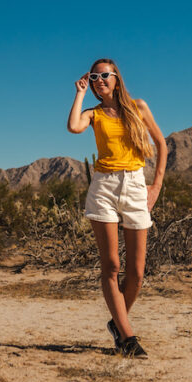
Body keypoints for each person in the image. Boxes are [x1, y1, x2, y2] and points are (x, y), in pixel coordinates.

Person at [67, 57, 167, 358]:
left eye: (105, 75)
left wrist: (156, 186)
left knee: (137, 271)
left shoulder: (139, 107)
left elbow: (161, 144)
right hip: (104, 188)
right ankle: (128, 337)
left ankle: (116, 323)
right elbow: (73, 127)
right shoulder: (93, 114)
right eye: (94, 77)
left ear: (117, 78)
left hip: (136, 185)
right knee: (111, 265)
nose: (100, 81)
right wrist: (80, 92)